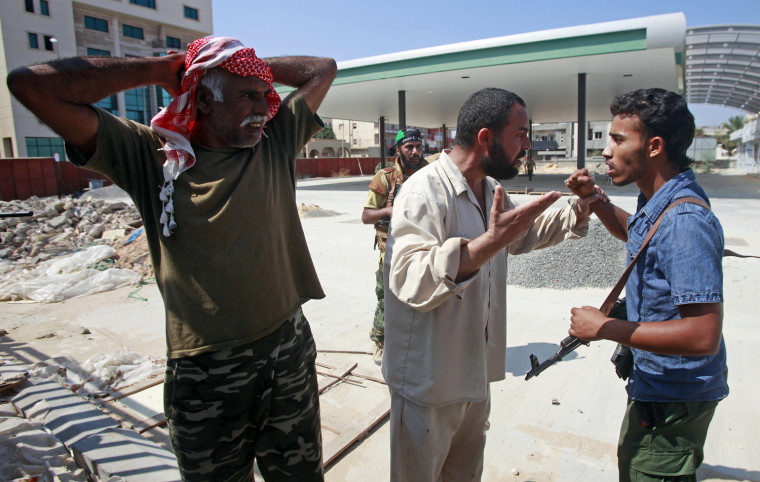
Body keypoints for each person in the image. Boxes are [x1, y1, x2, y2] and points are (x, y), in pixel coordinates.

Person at [7, 37, 337, 481]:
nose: (264, 106)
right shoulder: (150, 156)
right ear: (202, 97)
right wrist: (164, 69)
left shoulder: (273, 141)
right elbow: (30, 85)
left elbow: (323, 66)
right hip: (206, 373)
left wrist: (242, 65)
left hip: (288, 351)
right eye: (247, 94)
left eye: (265, 93)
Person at [382, 87, 600, 481]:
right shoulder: (424, 191)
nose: (528, 144)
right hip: (428, 384)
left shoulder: (487, 189)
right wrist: (489, 242)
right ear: (486, 138)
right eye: (520, 134)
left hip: (473, 376)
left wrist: (579, 206)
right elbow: (409, 278)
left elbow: (521, 234)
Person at [566, 88, 727, 482]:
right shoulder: (659, 200)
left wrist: (604, 328)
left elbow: (703, 334)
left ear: (654, 146)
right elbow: (641, 237)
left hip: (674, 397)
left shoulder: (685, 221)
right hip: (656, 385)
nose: (606, 151)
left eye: (619, 140)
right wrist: (597, 200)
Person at [361, 128, 428, 365]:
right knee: (386, 301)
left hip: (424, 249)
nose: (415, 152)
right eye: (409, 147)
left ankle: (414, 341)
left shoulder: (430, 172)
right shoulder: (386, 177)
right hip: (392, 251)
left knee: (423, 298)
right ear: (398, 150)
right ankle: (379, 340)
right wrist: (389, 211)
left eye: (418, 146)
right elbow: (366, 216)